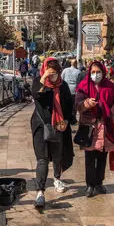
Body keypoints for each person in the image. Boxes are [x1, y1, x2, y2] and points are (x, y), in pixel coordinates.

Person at [76, 60, 114, 198]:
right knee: (90, 157)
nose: (95, 75)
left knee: (102, 156)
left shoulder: (111, 87)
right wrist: (86, 103)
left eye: (98, 72)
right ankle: (90, 185)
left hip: (106, 126)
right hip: (90, 127)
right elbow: (78, 105)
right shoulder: (83, 86)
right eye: (93, 72)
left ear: (103, 72)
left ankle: (99, 182)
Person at [31, 57, 74, 208]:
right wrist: (44, 78)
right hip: (41, 126)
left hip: (58, 126)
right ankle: (40, 192)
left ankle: (57, 178)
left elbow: (69, 106)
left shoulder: (63, 86)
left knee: (57, 155)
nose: (52, 76)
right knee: (42, 159)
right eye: (50, 72)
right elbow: (36, 95)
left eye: (55, 73)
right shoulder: (39, 82)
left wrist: (66, 121)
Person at [61, 59, 81, 124]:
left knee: (66, 104)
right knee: (73, 106)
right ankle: (72, 119)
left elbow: (61, 79)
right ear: (76, 64)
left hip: (66, 89)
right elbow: (79, 82)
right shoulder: (78, 71)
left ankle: (66, 118)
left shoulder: (65, 70)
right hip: (74, 90)